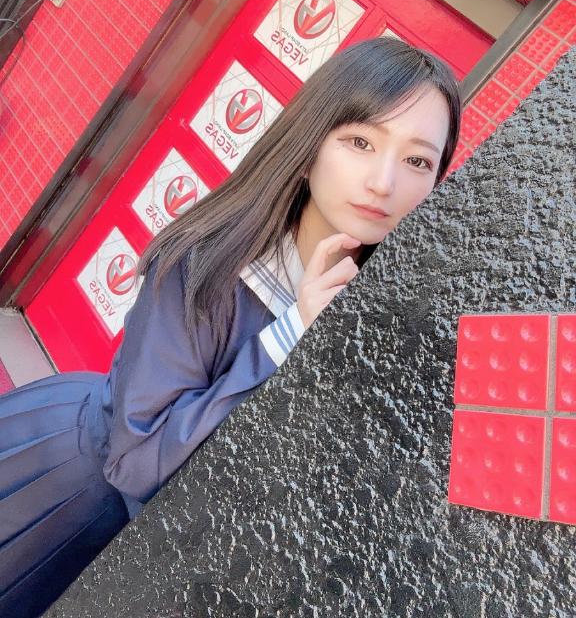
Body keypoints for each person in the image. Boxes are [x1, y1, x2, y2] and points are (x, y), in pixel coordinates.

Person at [0, 37, 461, 617]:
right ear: (312, 142)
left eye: (418, 161)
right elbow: (136, 461)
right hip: (73, 501)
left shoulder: (387, 314)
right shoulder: (206, 260)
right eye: (361, 142)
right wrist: (291, 333)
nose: (383, 183)